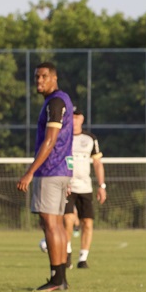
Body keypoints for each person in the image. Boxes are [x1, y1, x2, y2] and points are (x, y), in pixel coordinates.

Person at [16, 62, 73, 292]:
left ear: (54, 78)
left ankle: (56, 279)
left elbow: (50, 140)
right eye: (36, 77)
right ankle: (60, 277)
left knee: (50, 225)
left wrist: (30, 172)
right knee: (55, 224)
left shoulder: (56, 102)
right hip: (60, 171)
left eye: (43, 76)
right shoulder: (61, 100)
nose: (39, 81)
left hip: (50, 170)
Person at [63, 107, 106, 269]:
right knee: (67, 219)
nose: (74, 120)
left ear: (82, 119)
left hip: (85, 187)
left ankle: (83, 258)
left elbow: (97, 163)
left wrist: (102, 186)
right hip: (67, 185)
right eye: (71, 117)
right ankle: (67, 253)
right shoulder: (63, 136)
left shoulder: (90, 139)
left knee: (87, 222)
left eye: (77, 117)